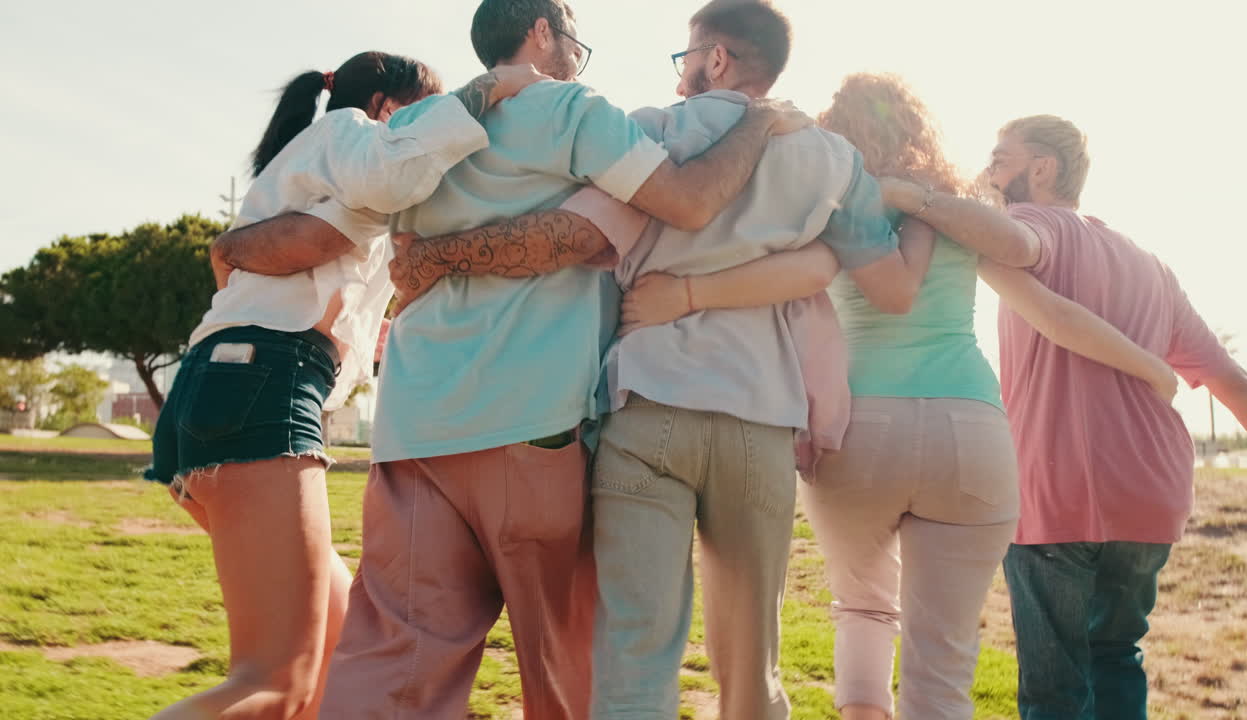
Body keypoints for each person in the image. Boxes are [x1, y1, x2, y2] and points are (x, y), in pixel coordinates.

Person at [227, 1, 811, 717]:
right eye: (575, 39)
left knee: (393, 667)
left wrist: (235, 251)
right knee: (566, 670)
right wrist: (757, 118)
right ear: (543, 32)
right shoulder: (574, 110)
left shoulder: (410, 128)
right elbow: (687, 203)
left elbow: (331, 230)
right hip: (534, 427)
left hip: (414, 431)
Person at [619, 73, 1178, 720]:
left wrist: (679, 297)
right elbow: (1051, 310)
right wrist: (1152, 370)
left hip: (860, 431)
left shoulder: (826, 201)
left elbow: (784, 276)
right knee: (942, 658)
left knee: (862, 608)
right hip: (970, 433)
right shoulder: (954, 213)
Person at [145, 52, 545, 720]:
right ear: (386, 106)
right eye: (419, 111)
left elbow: (266, 263)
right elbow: (389, 174)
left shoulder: (321, 177)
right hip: (264, 386)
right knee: (275, 684)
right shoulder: (351, 134)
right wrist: (492, 88)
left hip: (218, 387)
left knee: (338, 653)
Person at [879, 114, 1247, 719]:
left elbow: (1012, 246)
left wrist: (916, 197)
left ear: (1043, 168)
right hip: (1150, 494)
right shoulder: (1152, 266)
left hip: (1060, 493)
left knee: (1055, 688)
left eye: (1000, 156)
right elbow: (1237, 384)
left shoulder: (1032, 223)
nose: (988, 169)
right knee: (1117, 656)